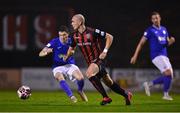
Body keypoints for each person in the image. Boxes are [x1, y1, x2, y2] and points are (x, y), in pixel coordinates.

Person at [64, 14, 132, 105]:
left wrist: (105, 51)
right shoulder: (74, 36)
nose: (71, 23)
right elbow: (71, 49)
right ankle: (126, 94)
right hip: (91, 63)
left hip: (99, 59)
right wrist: (67, 56)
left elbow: (110, 37)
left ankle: (106, 97)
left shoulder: (92, 31)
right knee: (109, 82)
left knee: (89, 73)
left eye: (73, 21)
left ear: (80, 22)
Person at [130, 11, 175, 100]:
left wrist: (171, 41)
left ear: (160, 18)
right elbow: (141, 43)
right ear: (151, 20)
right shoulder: (150, 30)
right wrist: (135, 56)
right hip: (156, 55)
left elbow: (166, 43)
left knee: (169, 76)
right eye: (153, 18)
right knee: (168, 73)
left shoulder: (164, 29)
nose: (155, 20)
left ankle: (149, 84)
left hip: (164, 55)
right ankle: (165, 95)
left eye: (157, 18)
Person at [39, 25, 88, 103]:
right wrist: (46, 52)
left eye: (64, 35)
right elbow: (40, 53)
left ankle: (80, 90)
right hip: (57, 66)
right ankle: (71, 96)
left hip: (69, 64)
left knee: (81, 78)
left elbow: (72, 51)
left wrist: (68, 56)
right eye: (60, 35)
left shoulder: (71, 41)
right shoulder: (54, 42)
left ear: (68, 34)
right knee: (60, 77)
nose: (62, 37)